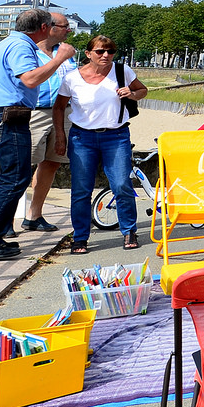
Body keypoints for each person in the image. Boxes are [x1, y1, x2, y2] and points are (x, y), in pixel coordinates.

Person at [0, 8, 74, 260]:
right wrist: (59, 59)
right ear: (44, 28)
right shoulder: (21, 47)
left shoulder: (9, 42)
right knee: (16, 178)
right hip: (6, 120)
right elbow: (29, 79)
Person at [56, 35, 148, 253]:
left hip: (115, 136)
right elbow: (59, 107)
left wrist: (132, 93)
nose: (106, 55)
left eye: (110, 51)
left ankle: (129, 231)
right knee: (81, 190)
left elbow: (142, 90)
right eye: (100, 51)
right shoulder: (72, 78)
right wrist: (61, 135)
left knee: (121, 185)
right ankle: (80, 237)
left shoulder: (121, 71)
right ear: (88, 54)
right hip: (82, 138)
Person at [19, 11, 73, 234]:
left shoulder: (66, 53)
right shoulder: (28, 51)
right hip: (35, 113)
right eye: (65, 26)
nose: (69, 31)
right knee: (22, 164)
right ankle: (6, 217)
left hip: (62, 113)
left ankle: (34, 214)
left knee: (52, 162)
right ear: (49, 27)